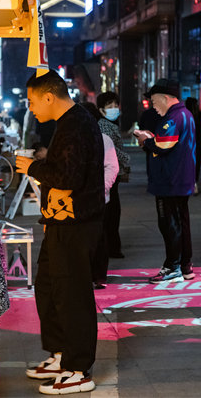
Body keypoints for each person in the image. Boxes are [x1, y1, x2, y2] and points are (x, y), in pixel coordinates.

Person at [16, 71, 104, 394]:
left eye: (33, 102)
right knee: (49, 288)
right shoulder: (67, 125)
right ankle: (60, 354)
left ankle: (79, 368)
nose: (32, 109)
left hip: (77, 223)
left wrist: (32, 168)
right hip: (59, 221)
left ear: (49, 97)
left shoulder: (78, 125)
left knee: (73, 295)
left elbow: (67, 176)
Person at [135, 79, 196, 283]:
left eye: (154, 101)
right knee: (180, 221)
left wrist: (145, 140)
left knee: (169, 223)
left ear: (165, 98)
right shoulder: (185, 114)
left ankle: (173, 266)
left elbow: (164, 145)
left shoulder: (174, 117)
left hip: (170, 179)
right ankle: (184, 265)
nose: (153, 106)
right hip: (180, 178)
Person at [81, 101, 119, 290]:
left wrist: (102, 187)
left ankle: (99, 275)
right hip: (80, 198)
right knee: (84, 237)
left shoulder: (103, 139)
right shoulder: (76, 139)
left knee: (99, 236)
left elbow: (112, 166)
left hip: (98, 197)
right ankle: (86, 273)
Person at [96, 92, 130, 259]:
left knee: (113, 212)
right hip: (108, 175)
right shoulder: (103, 125)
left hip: (114, 173)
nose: (114, 109)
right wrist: (126, 158)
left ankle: (113, 247)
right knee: (111, 212)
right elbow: (110, 149)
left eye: (115, 105)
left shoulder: (112, 125)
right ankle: (112, 248)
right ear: (101, 110)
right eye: (109, 107)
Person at [184, 97, 201, 195]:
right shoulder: (199, 116)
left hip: (185, 145)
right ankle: (194, 184)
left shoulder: (184, 115)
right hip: (196, 144)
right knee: (196, 165)